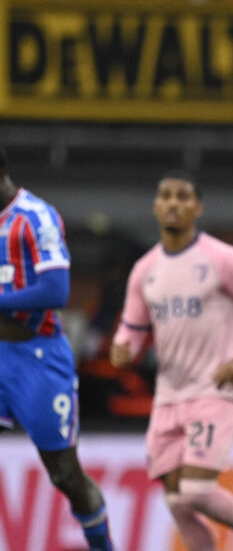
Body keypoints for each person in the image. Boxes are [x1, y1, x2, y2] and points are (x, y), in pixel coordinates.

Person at [111, 171, 233, 551]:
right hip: (169, 395)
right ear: (156, 206)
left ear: (198, 207)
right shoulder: (145, 271)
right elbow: (131, 328)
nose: (173, 203)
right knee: (178, 501)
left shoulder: (222, 258)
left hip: (215, 389)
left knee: (194, 491)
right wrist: (121, 348)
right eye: (166, 196)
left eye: (182, 196)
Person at [0, 146, 114, 550]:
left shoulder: (35, 218)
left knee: (65, 474)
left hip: (36, 357)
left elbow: (56, 289)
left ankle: (102, 544)